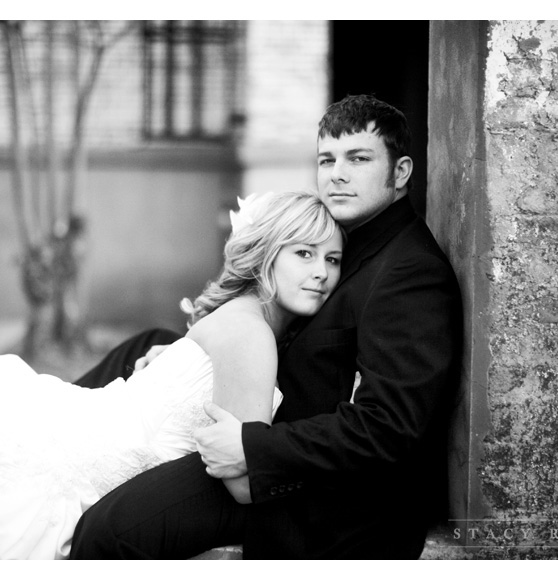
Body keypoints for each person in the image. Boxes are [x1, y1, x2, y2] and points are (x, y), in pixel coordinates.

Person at [69, 94, 463, 559]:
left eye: (358, 159)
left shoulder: (409, 272)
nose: (336, 174)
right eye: (326, 160)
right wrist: (191, 356)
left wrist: (254, 448)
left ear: (400, 173)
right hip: (262, 419)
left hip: (316, 494)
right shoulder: (348, 241)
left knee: (109, 531)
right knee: (146, 346)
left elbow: (390, 426)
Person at [0, 190, 344, 559]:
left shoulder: (237, 317)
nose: (321, 271)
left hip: (76, 422)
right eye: (304, 253)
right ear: (267, 254)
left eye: (333, 259)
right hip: (80, 456)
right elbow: (241, 483)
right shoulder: (253, 337)